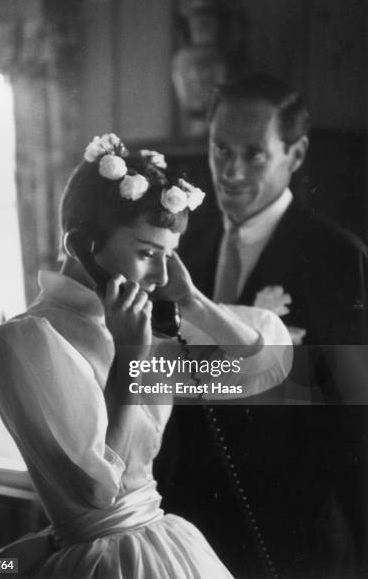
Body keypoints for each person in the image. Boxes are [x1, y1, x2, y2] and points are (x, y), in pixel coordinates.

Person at [0, 133, 292, 579]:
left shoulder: (149, 325)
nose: (162, 274)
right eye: (148, 253)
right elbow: (97, 491)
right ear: (82, 246)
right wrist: (131, 358)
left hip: (169, 545)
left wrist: (190, 300)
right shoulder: (27, 340)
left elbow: (267, 365)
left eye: (170, 256)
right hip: (100, 562)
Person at [156, 75, 368, 578]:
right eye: (220, 149)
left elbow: (355, 417)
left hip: (292, 535)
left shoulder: (339, 259)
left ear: (294, 155)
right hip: (189, 528)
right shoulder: (183, 246)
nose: (230, 171)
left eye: (254, 155)